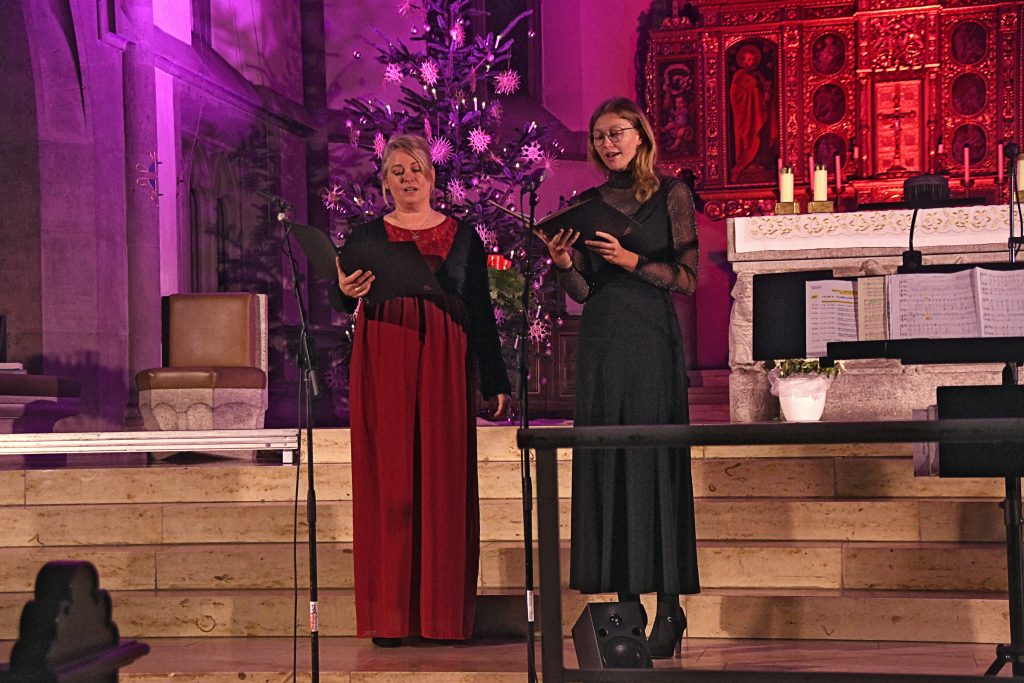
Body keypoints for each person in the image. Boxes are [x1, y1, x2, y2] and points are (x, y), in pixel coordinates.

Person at [331, 134, 511, 647]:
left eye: (416, 169)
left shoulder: (463, 236)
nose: (408, 178)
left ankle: (441, 615)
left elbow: (480, 311)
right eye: (397, 171)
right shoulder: (366, 236)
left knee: (443, 477)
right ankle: (389, 617)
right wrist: (343, 291)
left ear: (432, 177)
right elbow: (341, 294)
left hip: (444, 357)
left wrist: (495, 380)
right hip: (385, 353)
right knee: (389, 480)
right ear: (385, 182)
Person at [535, 97, 700, 659]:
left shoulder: (671, 194)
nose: (608, 144)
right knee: (611, 464)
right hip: (603, 343)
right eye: (600, 136)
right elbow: (583, 292)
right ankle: (628, 605)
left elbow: (687, 278)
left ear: (641, 136)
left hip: (650, 340)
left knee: (652, 461)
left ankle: (670, 603)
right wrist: (563, 263)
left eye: (617, 133)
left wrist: (631, 262)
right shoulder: (587, 204)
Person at [729, 44, 774, 181]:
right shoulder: (739, 75)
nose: (751, 63)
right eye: (748, 60)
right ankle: (745, 164)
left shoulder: (757, 75)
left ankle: (759, 163)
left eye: (753, 60)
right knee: (746, 138)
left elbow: (765, 89)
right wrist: (752, 91)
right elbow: (734, 94)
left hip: (758, 114)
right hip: (745, 115)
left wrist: (766, 93)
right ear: (743, 61)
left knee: (760, 136)